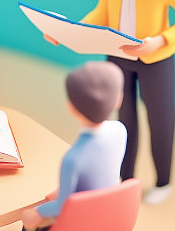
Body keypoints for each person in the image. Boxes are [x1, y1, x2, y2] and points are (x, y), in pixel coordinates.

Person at [43, 0, 175, 204]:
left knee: (161, 121)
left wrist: (160, 40)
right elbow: (102, 14)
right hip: (118, 58)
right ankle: (124, 179)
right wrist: (71, 31)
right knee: (122, 119)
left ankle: (163, 181)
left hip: (157, 61)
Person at [21, 61, 128, 230]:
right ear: (119, 100)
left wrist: (37, 212)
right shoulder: (120, 130)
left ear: (71, 108)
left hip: (83, 222)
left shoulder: (74, 158)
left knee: (29, 222)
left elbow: (61, 206)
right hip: (111, 212)